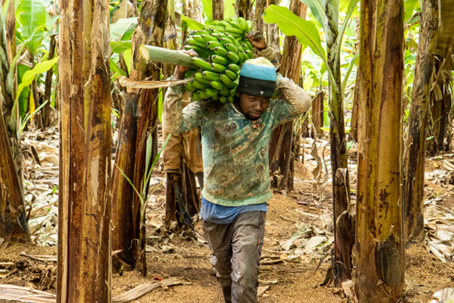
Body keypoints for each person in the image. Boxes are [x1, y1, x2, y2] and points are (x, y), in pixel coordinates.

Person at [163, 44, 311, 303]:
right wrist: (177, 79)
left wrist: (270, 76)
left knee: (244, 276)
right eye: (252, 98)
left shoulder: (270, 114)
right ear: (238, 92)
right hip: (214, 204)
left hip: (252, 204)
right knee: (224, 271)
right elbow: (175, 123)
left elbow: (303, 102)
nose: (259, 106)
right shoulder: (211, 109)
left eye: (264, 99)